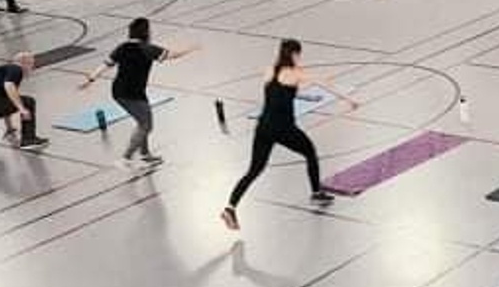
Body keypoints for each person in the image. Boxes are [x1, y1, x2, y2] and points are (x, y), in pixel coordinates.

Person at [221, 39, 355, 231]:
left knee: (254, 170)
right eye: (299, 54)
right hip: (283, 128)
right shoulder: (296, 73)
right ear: (293, 54)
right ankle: (316, 193)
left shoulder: (269, 71)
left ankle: (230, 207)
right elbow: (322, 83)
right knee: (310, 152)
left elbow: (277, 93)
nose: (300, 58)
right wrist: (349, 101)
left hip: (263, 126)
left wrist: (297, 93)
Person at [81, 17, 199, 169]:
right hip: (130, 94)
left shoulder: (122, 47)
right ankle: (125, 158)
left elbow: (106, 64)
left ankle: (145, 155)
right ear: (145, 32)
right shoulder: (147, 48)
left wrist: (90, 79)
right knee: (146, 125)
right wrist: (191, 48)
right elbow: (172, 55)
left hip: (122, 91)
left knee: (142, 121)